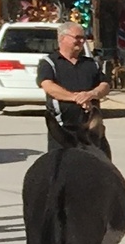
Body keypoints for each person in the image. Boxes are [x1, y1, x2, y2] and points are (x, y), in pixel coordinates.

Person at [37, 22, 110, 151]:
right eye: (77, 37)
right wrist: (76, 98)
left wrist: (91, 94)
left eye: (83, 38)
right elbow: (48, 86)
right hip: (62, 132)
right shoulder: (49, 63)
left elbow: (105, 85)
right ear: (62, 38)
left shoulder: (91, 64)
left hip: (91, 131)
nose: (81, 41)